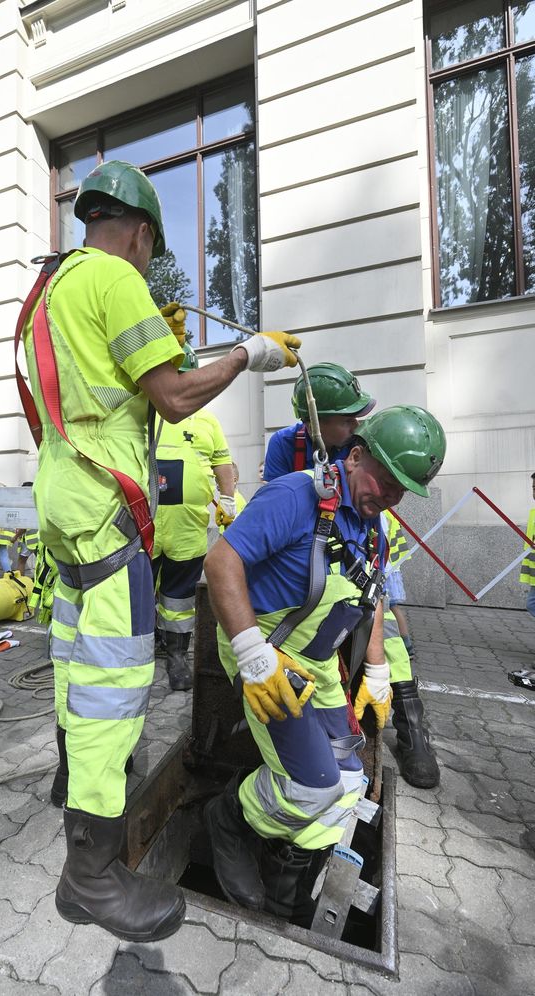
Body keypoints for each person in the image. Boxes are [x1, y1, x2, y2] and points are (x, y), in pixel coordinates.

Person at [18, 159, 302, 943]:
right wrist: (250, 356)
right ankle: (92, 876)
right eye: (151, 252)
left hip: (63, 504)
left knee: (74, 659)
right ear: (141, 233)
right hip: (111, 514)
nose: (149, 265)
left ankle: (75, 784)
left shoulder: (49, 287)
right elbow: (174, 395)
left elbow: (86, 388)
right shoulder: (116, 282)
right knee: (114, 685)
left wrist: (152, 340)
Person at [203, 405, 446, 924]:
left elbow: (373, 596)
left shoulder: (374, 529)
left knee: (349, 785)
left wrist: (377, 670)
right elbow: (221, 562)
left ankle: (288, 892)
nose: (389, 498)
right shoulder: (295, 497)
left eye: (401, 492)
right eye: (384, 482)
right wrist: (251, 654)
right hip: (270, 656)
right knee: (312, 786)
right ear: (354, 456)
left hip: (317, 665)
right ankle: (229, 820)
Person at [263, 367, 440, 789]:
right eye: (346, 418)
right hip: (317, 544)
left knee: (387, 624)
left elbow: (372, 506)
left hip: (367, 536)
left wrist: (375, 654)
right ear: (315, 420)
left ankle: (412, 724)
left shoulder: (362, 449)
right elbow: (279, 497)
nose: (356, 424)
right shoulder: (286, 445)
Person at [153, 342, 235, 691]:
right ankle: (134, 658)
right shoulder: (146, 411)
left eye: (187, 377)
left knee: (179, 599)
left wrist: (228, 498)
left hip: (187, 530)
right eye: (176, 377)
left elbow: (222, 463)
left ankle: (176, 656)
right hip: (145, 528)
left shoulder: (208, 420)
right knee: (136, 595)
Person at [263, 362, 375, 482]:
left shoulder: (361, 444)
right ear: (314, 425)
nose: (356, 426)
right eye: (347, 421)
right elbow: (276, 496)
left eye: (355, 418)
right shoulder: (284, 444)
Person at [381, 508, 413, 655]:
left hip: (385, 567)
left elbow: (382, 538)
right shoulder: (389, 513)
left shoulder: (383, 513)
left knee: (390, 607)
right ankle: (405, 644)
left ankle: (402, 644)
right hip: (391, 566)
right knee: (392, 607)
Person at [520, 472, 535, 619]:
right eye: (534, 488)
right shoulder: (534, 513)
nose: (534, 492)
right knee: (531, 603)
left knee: (531, 604)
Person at [218, 462, 247, 534]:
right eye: (217, 479)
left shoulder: (234, 500)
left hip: (228, 537)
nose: (217, 483)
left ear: (234, 481)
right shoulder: (227, 498)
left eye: (221, 479)